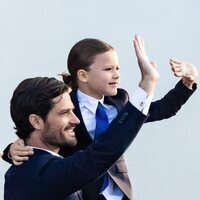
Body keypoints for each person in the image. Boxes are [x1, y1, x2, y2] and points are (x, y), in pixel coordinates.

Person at [2, 35, 198, 200]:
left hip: (117, 194)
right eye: (108, 69)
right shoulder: (60, 103)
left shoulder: (120, 105)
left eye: (117, 68)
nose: (116, 75)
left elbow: (161, 109)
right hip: (81, 190)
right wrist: (11, 151)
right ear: (82, 75)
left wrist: (188, 83)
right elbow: (41, 146)